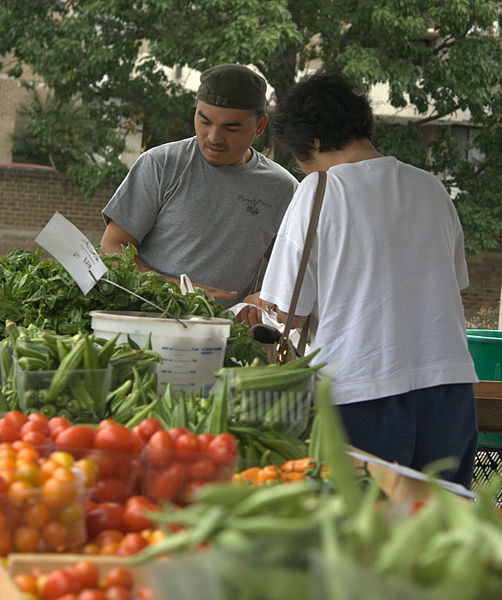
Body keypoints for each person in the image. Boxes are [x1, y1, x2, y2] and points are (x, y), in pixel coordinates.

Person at [240, 69, 479, 488]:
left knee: (366, 536)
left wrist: (255, 303)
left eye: (300, 154)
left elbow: (290, 315)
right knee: (439, 536)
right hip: (450, 390)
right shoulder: (431, 188)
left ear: (313, 142)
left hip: (363, 391)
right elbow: (451, 291)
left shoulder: (316, 190)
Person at [100, 63, 298, 306]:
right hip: (146, 320)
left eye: (230, 128)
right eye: (204, 121)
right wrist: (181, 291)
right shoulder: (161, 165)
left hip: (223, 335)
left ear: (260, 126)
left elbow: (292, 271)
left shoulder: (282, 189)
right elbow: (112, 247)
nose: (214, 137)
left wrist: (266, 298)